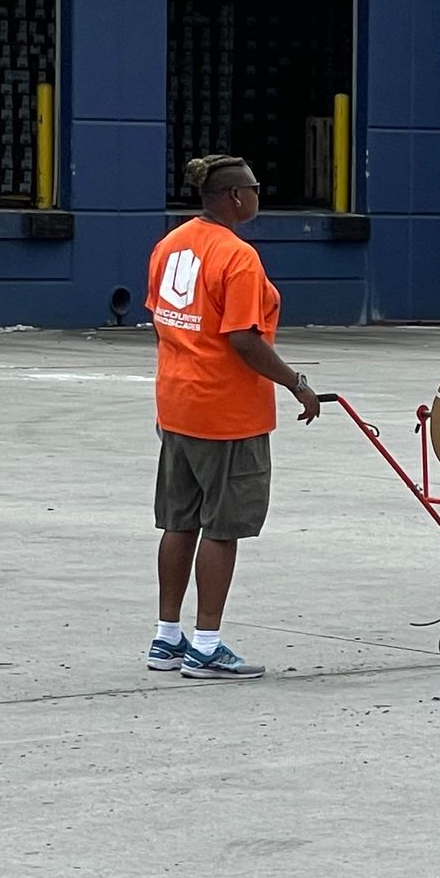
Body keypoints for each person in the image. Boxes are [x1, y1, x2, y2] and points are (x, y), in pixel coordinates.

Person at [146, 154, 320, 682]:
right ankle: (206, 645)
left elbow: (165, 318)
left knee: (180, 521)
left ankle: (166, 636)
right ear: (235, 197)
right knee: (223, 528)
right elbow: (242, 338)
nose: (259, 196)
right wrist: (296, 383)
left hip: (177, 403)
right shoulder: (238, 256)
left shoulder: (169, 244)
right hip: (227, 412)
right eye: (255, 188)